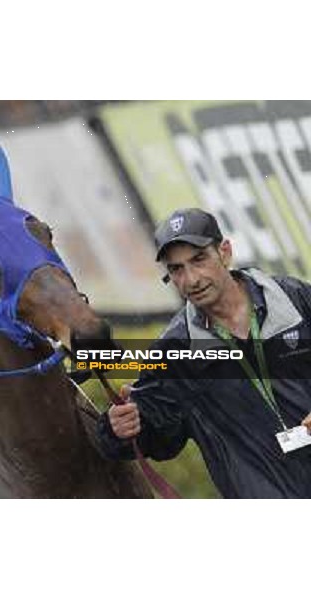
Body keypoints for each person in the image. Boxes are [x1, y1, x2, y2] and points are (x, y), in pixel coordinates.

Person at [96, 207, 311, 498]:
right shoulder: (173, 351)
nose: (191, 279)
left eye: (199, 260)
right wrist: (118, 429)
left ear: (224, 252)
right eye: (176, 269)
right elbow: (158, 438)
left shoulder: (295, 298)